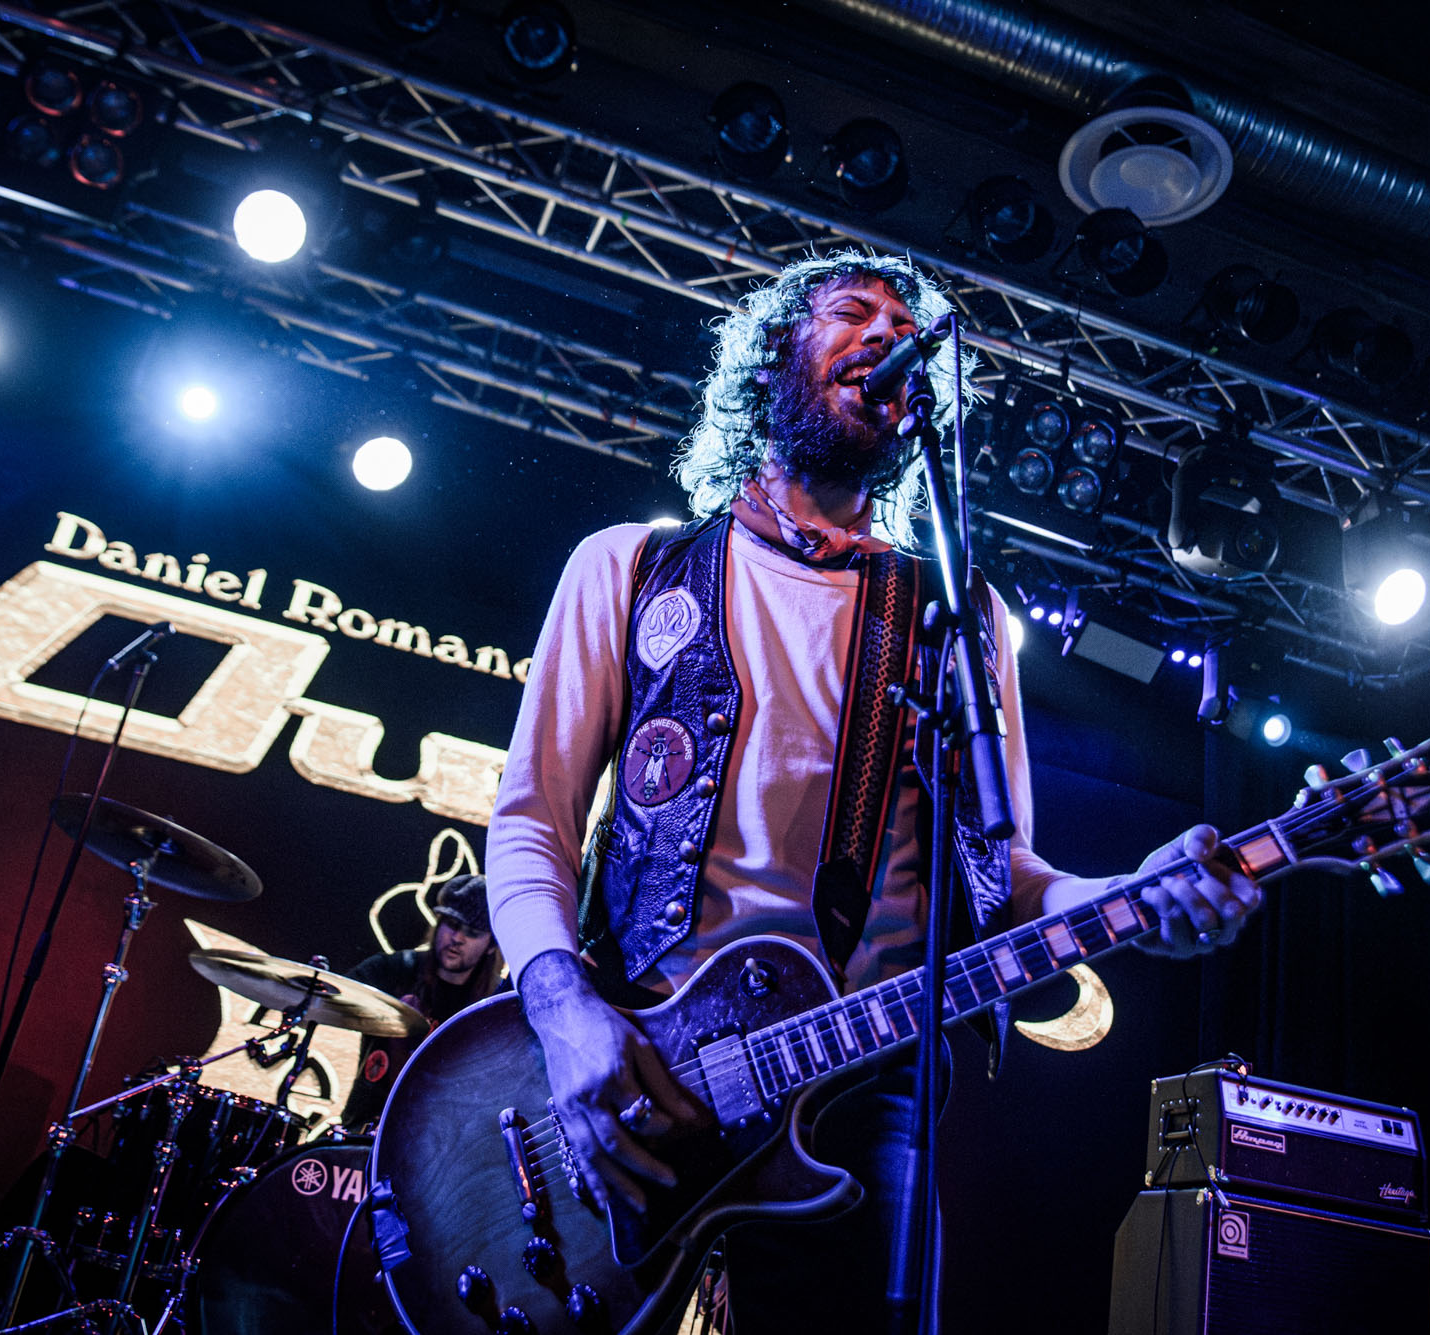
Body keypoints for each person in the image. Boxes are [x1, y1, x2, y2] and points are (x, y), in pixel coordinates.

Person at [485, 251, 1263, 1331]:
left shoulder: (956, 613)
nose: (885, 332)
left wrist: (1139, 892)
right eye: (852, 312)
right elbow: (532, 820)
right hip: (640, 1060)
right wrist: (565, 1014)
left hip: (860, 1079)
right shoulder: (632, 566)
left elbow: (1008, 876)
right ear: (769, 365)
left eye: (904, 323)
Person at [340, 873, 504, 1130]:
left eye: (472, 932)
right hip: (365, 1128)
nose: (457, 938)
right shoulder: (393, 970)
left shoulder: (495, 1002)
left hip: (442, 1143)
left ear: (492, 945)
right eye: (451, 923)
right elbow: (334, 997)